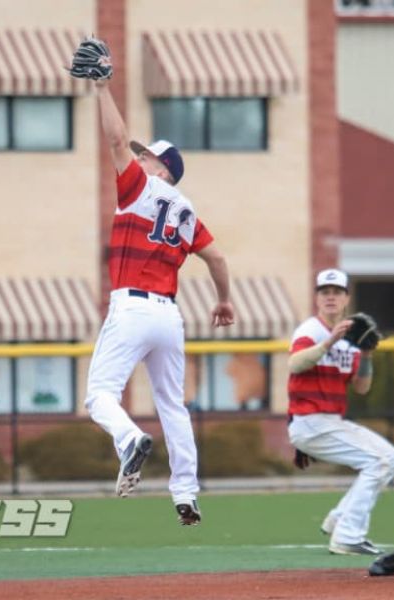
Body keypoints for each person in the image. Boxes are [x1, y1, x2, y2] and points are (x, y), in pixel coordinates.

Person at [79, 50, 235, 527]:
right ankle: (186, 495)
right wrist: (224, 299)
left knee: (99, 396)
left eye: (148, 157)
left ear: (163, 168)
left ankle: (127, 440)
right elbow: (217, 257)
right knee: (173, 405)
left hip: (132, 309)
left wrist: (102, 86)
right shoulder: (186, 211)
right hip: (170, 316)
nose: (138, 157)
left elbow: (115, 138)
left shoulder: (139, 189)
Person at [287, 268, 394, 555]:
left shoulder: (352, 340)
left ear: (346, 298)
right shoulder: (310, 330)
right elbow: (295, 364)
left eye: (336, 292)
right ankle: (348, 535)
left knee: (389, 458)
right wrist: (328, 342)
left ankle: (339, 518)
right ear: (317, 298)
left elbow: (361, 388)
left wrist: (367, 355)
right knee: (380, 461)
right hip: (311, 419)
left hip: (328, 421)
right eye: (325, 292)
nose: (330, 297)